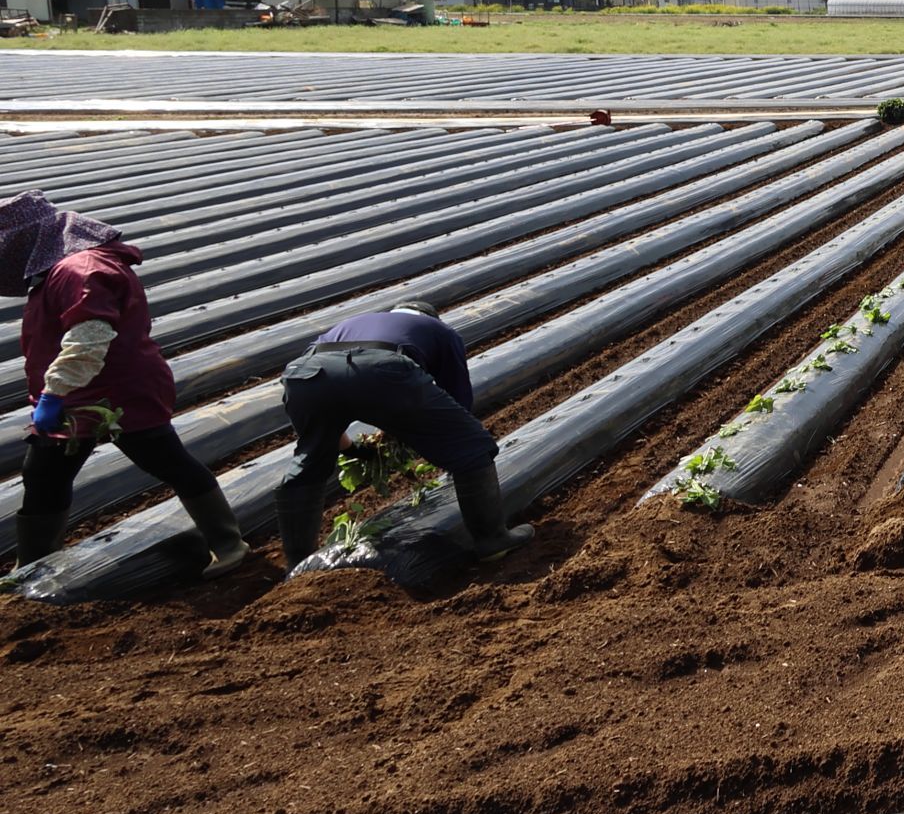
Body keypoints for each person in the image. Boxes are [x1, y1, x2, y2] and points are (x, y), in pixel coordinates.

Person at [0, 191, 247, 575]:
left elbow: (90, 338)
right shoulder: (65, 268)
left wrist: (52, 394)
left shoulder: (79, 270)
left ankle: (229, 543)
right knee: (42, 474)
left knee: (166, 460)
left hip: (118, 391)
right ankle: (31, 566)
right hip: (79, 393)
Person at [275, 301, 533, 572]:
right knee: (472, 444)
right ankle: (492, 540)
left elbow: (324, 423)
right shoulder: (438, 331)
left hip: (303, 374)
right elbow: (459, 407)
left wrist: (357, 451)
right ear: (431, 317)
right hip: (381, 369)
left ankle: (299, 564)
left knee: (309, 464)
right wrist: (422, 437)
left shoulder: (354, 324)